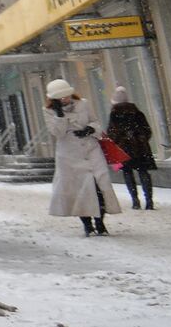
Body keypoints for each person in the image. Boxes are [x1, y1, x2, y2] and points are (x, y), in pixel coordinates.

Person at [44, 78, 121, 235]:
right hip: (69, 155)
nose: (65, 99)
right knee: (78, 190)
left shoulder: (83, 104)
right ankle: (87, 224)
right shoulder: (48, 111)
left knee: (99, 185)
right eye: (60, 97)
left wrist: (90, 129)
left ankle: (100, 223)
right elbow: (57, 133)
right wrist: (59, 115)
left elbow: (95, 122)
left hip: (91, 149)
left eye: (66, 95)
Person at [106, 86, 156, 210]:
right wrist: (140, 139)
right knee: (143, 172)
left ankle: (135, 200)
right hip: (141, 149)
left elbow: (111, 133)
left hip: (124, 150)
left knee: (128, 174)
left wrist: (120, 141)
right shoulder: (138, 113)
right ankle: (149, 201)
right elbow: (147, 130)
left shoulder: (114, 115)